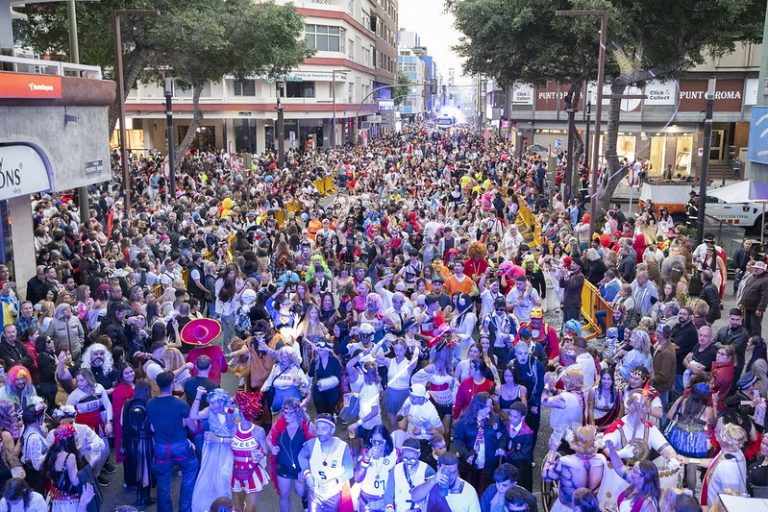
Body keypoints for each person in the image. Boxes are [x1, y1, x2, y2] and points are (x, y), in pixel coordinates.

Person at [146, 371, 199, 512]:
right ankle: (185, 508)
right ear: (171, 385)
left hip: (161, 448)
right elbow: (193, 428)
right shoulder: (180, 404)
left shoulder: (150, 404)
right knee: (191, 470)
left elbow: (152, 427)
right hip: (180, 446)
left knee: (163, 483)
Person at [298, 413, 355, 512]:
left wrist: (335, 481)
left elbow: (350, 471)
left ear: (332, 430)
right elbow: (301, 456)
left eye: (324, 429)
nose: (319, 432)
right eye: (318, 428)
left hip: (334, 494)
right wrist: (307, 474)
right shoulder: (311, 444)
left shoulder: (343, 447)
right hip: (315, 492)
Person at [453, 392, 508, 494]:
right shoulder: (464, 421)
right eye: (487, 406)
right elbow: (457, 440)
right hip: (470, 462)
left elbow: (503, 434)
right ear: (478, 406)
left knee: (487, 487)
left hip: (490, 461)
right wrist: (465, 454)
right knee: (470, 488)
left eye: (490, 405)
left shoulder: (495, 418)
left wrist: (501, 447)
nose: (490, 409)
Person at [189, 387, 234, 512]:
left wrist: (219, 439)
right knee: (209, 478)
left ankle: (228, 506)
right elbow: (193, 415)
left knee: (225, 477)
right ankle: (212, 506)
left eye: (215, 402)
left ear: (222, 401)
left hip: (227, 449)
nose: (212, 405)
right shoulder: (209, 411)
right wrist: (198, 395)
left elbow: (239, 439)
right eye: (211, 402)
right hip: (212, 450)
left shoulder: (233, 412)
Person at [541, 425, 605, 512]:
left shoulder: (565, 462)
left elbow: (546, 476)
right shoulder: (601, 459)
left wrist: (552, 451)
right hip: (590, 508)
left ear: (575, 442)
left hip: (567, 508)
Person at [267, 398, 313, 512]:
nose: (286, 415)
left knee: (301, 492)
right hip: (283, 465)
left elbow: (316, 445)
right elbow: (268, 438)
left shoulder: (307, 425)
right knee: (284, 495)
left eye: (289, 413)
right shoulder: (279, 423)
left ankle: (306, 501)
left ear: (297, 412)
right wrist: (272, 448)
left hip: (301, 467)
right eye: (284, 412)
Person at [665, 382, 714, 490]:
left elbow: (669, 415)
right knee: (692, 468)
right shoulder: (708, 410)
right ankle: (690, 494)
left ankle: (672, 488)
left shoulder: (682, 401)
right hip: (696, 443)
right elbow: (711, 427)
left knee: (675, 464)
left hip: (678, 439)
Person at [229, 391, 269, 512]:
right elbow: (226, 422)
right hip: (236, 472)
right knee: (237, 508)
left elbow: (265, 450)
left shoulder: (259, 431)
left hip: (252, 473)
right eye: (241, 411)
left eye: (246, 413)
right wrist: (231, 407)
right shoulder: (234, 427)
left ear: (251, 414)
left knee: (250, 510)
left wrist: (260, 455)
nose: (243, 415)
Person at [410, 452, 481, 512]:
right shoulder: (430, 482)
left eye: (453, 472)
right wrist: (433, 481)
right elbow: (414, 497)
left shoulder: (469, 492)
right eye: (446, 472)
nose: (450, 477)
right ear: (438, 468)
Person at [120, 379, 154, 506]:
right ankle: (143, 499)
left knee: (139, 471)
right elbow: (149, 427)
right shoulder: (144, 406)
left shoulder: (128, 403)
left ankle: (142, 497)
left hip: (131, 443)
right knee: (144, 471)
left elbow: (122, 423)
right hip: (143, 442)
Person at [351, 425, 398, 511]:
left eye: (380, 442)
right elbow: (357, 478)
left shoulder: (394, 454)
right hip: (367, 498)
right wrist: (367, 459)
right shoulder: (365, 453)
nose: (376, 445)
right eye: (374, 441)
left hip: (386, 499)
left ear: (386, 441)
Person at [605, 441, 661, 512]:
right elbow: (619, 467)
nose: (631, 472)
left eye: (634, 471)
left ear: (644, 478)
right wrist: (611, 449)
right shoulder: (635, 482)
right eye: (632, 469)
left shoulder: (648, 504)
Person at [383, 437, 435, 512]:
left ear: (419, 454)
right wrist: (389, 507)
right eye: (405, 458)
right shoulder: (395, 470)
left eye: (413, 459)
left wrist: (419, 509)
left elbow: (433, 497)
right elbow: (389, 493)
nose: (409, 462)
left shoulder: (427, 471)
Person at [701, 423, 748, 507]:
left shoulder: (729, 467)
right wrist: (689, 460)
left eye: (719, 431)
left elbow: (730, 500)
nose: (715, 431)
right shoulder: (732, 451)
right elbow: (715, 464)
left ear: (725, 440)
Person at [715, 308, 750, 384]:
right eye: (732, 319)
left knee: (731, 388)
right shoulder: (723, 329)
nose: (734, 322)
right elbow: (713, 342)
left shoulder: (743, 334)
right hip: (720, 363)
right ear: (729, 318)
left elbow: (731, 349)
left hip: (734, 366)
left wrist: (718, 345)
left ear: (741, 319)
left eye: (737, 320)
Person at [741, 261, 768, 337]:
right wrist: (743, 303)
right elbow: (745, 290)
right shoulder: (752, 277)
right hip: (747, 306)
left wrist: (760, 309)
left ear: (763, 270)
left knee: (755, 327)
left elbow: (765, 296)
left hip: (756, 308)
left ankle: (757, 343)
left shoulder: (765, 280)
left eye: (758, 268)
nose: (756, 269)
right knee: (747, 325)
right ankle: (749, 341)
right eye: (755, 268)